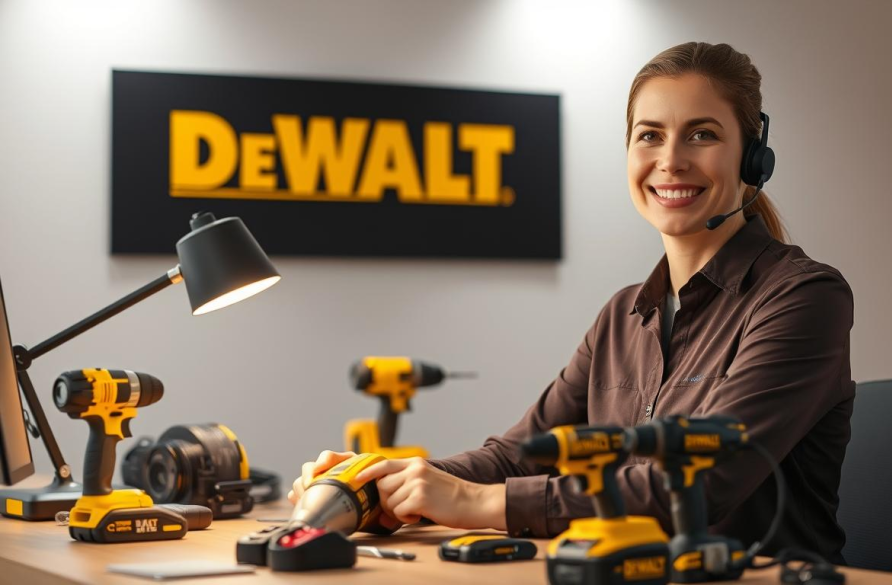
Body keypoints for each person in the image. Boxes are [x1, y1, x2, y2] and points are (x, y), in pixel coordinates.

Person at [289, 41, 855, 563]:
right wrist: (384, 481)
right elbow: (518, 456)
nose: (671, 160)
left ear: (753, 158)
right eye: (650, 135)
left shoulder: (802, 298)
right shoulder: (622, 317)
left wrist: (473, 502)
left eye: (702, 134)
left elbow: (699, 485)